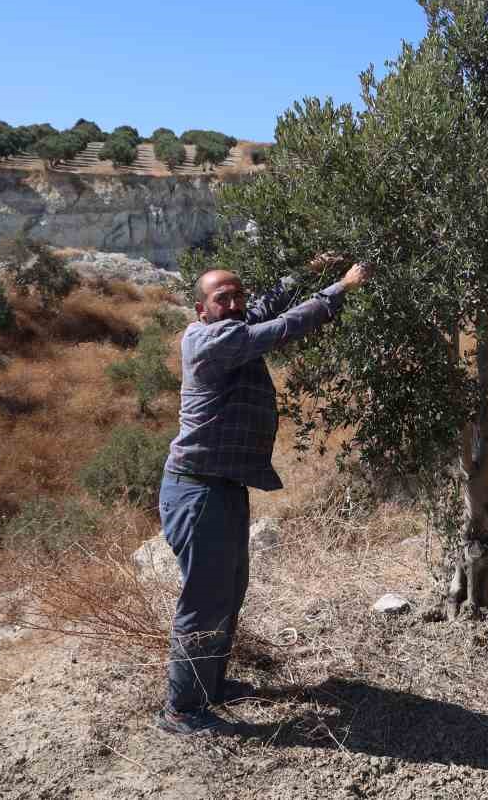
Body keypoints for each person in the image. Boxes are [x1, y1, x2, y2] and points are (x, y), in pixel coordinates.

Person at [155, 259, 370, 736]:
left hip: (223, 485)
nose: (233, 305)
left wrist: (301, 273)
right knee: (205, 597)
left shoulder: (229, 325)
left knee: (230, 588)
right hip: (196, 488)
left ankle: (209, 685)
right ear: (201, 309)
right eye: (221, 299)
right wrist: (340, 288)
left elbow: (265, 308)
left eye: (237, 296)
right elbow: (282, 326)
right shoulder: (211, 340)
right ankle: (181, 709)